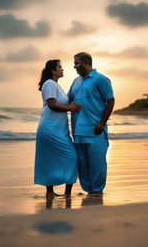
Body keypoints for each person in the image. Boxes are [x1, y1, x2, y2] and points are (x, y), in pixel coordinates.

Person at [68, 52, 115, 195]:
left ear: (86, 63)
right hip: (77, 131)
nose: (74, 66)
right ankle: (89, 192)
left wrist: (102, 123)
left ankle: (97, 192)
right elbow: (68, 100)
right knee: (82, 165)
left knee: (97, 164)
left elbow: (111, 100)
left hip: (95, 130)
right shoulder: (76, 81)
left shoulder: (100, 79)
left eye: (77, 63)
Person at [34, 59, 82, 198]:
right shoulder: (49, 83)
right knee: (68, 157)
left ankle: (63, 193)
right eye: (60, 67)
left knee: (68, 157)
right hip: (50, 128)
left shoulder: (55, 85)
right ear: (53, 70)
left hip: (58, 129)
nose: (62, 69)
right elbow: (52, 104)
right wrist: (70, 108)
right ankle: (51, 192)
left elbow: (60, 103)